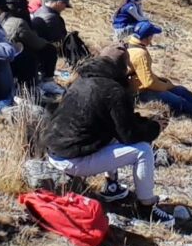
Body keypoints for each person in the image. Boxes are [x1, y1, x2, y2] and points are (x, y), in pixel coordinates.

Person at [42, 52, 165, 211]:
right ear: (124, 71)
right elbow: (129, 135)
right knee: (143, 151)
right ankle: (147, 207)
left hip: (56, 151)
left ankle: (112, 187)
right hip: (73, 160)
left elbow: (120, 122)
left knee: (112, 132)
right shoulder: (114, 91)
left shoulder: (81, 81)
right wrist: (155, 127)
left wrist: (146, 122)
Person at [124, 22, 192, 118]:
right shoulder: (140, 54)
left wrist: (161, 81)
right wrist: (166, 86)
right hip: (140, 94)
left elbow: (142, 74)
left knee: (181, 90)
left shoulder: (131, 46)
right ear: (148, 37)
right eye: (152, 35)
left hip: (140, 88)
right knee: (178, 100)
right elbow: (149, 83)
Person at [33, 0, 92, 69]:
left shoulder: (39, 11)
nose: (64, 8)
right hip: (45, 56)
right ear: (59, 3)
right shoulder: (53, 18)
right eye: (65, 5)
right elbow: (58, 40)